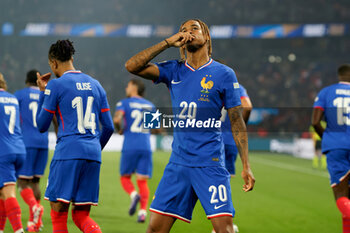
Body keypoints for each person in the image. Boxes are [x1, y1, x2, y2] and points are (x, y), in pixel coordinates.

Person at [125, 19, 255, 233]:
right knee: (155, 229)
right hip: (178, 164)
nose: (188, 32)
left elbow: (236, 120)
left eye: (194, 28)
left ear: (207, 38)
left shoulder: (224, 74)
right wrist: (168, 42)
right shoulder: (173, 70)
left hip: (210, 164)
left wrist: (246, 165)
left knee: (225, 230)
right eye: (183, 30)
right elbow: (132, 66)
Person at [36, 39, 114, 233]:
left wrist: (42, 93)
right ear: (71, 57)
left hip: (68, 152)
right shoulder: (96, 85)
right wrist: (93, 147)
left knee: (58, 213)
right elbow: (109, 127)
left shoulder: (56, 85)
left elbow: (41, 125)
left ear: (53, 62)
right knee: (81, 215)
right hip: (93, 154)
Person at [15, 69, 56, 232]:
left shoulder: (19, 95)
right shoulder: (45, 94)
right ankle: (34, 222)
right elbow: (52, 117)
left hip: (26, 142)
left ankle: (34, 207)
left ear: (26, 80)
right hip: (43, 141)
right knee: (35, 182)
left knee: (22, 182)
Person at [312, 64, 350, 233]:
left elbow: (315, 122)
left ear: (339, 76)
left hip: (337, 147)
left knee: (342, 196)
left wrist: (328, 138)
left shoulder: (326, 92)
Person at [114, 79, 156, 223]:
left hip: (130, 145)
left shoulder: (124, 103)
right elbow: (155, 129)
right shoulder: (150, 105)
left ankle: (133, 195)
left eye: (128, 85)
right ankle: (143, 212)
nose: (126, 87)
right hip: (145, 146)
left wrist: (120, 129)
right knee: (142, 182)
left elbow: (117, 119)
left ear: (134, 87)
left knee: (124, 177)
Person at [218, 83, 252, 233]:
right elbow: (248, 106)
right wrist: (239, 123)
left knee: (207, 179)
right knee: (224, 183)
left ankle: (222, 225)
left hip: (211, 140)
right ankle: (226, 224)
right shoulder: (235, 86)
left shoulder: (205, 83)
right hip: (230, 141)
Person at [0, 72, 26, 233]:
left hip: (3, 152)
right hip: (18, 149)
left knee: (8, 193)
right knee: (2, 192)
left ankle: (18, 230)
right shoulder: (12, 98)